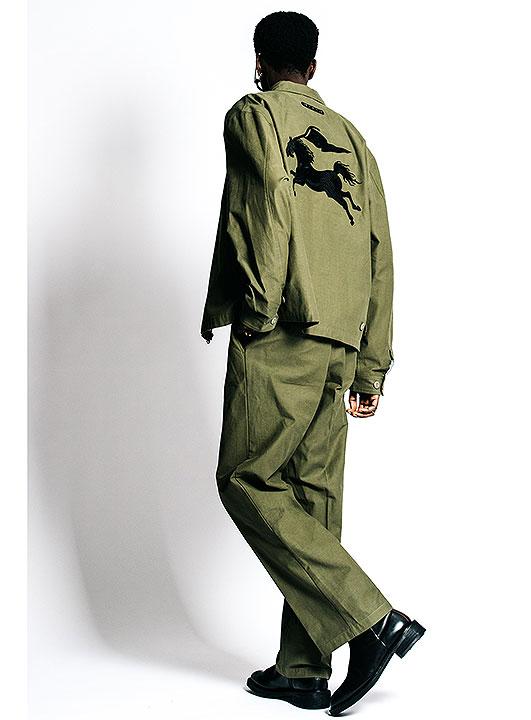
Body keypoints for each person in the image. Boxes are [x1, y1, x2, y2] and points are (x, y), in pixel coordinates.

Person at [200, 10, 425, 715]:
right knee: (313, 498)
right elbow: (381, 253)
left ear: (259, 61)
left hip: (285, 327)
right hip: (341, 341)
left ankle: (372, 617)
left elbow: (265, 202)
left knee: (245, 478)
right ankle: (302, 670)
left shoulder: (254, 114)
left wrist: (260, 307)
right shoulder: (354, 140)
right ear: (315, 67)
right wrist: (371, 363)